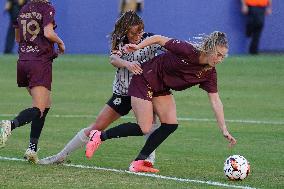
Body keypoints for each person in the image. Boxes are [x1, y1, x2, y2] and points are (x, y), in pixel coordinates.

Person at [85, 31, 237, 173]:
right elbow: (158, 39)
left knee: (170, 124)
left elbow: (216, 101)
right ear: (209, 49)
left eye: (223, 56)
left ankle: (138, 162)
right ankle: (99, 136)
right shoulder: (188, 50)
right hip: (145, 78)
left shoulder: (209, 73)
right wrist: (138, 46)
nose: (219, 59)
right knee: (145, 127)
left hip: (160, 87)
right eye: (218, 54)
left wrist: (224, 129)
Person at [38, 10, 163, 165]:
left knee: (151, 124)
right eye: (133, 33)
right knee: (97, 126)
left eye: (140, 32)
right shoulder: (120, 41)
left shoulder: (150, 40)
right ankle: (61, 155)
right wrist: (127, 64)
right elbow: (113, 58)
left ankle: (147, 160)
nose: (137, 36)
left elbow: (169, 49)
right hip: (123, 92)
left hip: (144, 91)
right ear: (125, 31)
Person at [0, 0, 65, 163]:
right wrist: (60, 42)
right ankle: (10, 124)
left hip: (23, 61)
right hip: (39, 63)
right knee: (39, 108)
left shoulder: (24, 8)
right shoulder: (47, 7)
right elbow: (49, 33)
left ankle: (32, 148)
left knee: (45, 105)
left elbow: (17, 37)